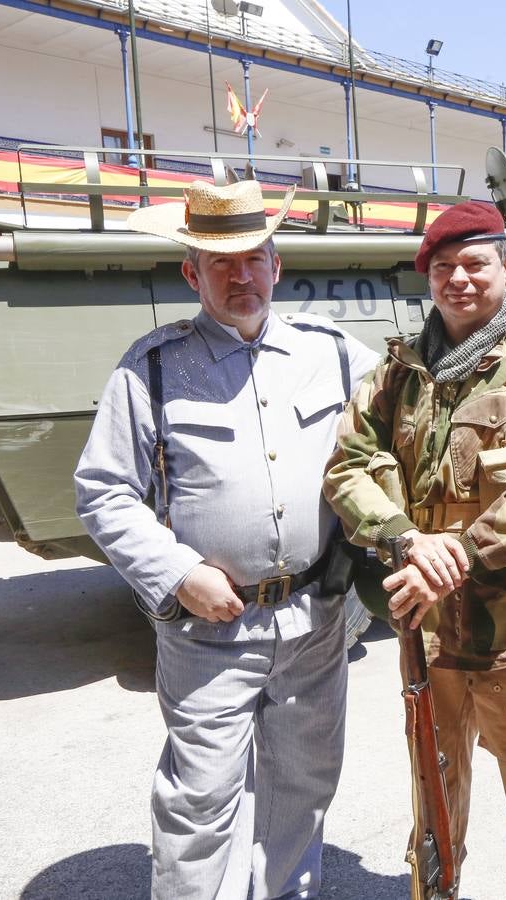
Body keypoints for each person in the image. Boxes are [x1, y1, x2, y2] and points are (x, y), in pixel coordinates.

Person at [75, 180, 378, 899]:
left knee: (304, 785)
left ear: (277, 264)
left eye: (253, 258)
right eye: (221, 263)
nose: (241, 276)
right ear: (192, 274)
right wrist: (177, 572)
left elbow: (417, 414)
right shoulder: (150, 366)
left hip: (315, 621)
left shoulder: (333, 354)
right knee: (200, 802)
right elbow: (103, 489)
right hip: (211, 630)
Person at [323, 201, 506, 899]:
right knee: (433, 787)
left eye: (475, 263)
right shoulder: (402, 371)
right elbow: (348, 466)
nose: (459, 279)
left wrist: (461, 551)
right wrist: (406, 538)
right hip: (429, 632)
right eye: (443, 267)